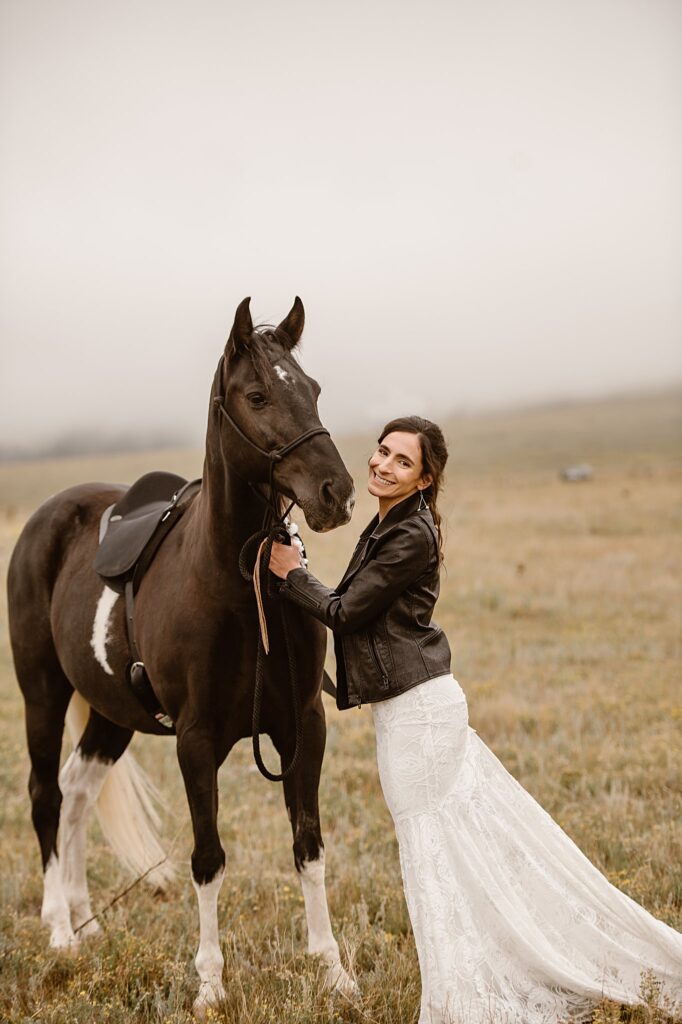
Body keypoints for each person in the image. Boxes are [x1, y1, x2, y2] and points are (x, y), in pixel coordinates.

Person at [268, 415, 682, 1024]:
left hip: (420, 717)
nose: (383, 465)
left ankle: (457, 1003)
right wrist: (300, 572)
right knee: (457, 848)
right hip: (411, 711)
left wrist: (291, 575)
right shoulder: (388, 522)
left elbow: (347, 612)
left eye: (401, 462)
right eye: (381, 452)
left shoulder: (410, 535)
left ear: (425, 477)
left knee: (430, 853)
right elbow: (356, 608)